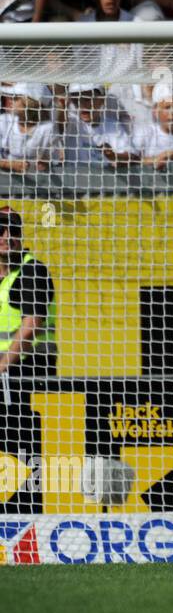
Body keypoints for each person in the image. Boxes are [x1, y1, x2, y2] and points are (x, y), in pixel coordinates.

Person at [0, 206, 57, 515]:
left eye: (14, 230)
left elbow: (31, 324)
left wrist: (3, 364)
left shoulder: (32, 270)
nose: (8, 236)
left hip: (28, 375)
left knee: (23, 451)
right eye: (1, 230)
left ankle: (29, 516)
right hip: (5, 376)